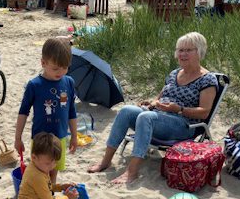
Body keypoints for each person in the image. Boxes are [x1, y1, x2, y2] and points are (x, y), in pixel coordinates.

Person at [88, 32, 218, 183]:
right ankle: (106, 161)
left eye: (188, 50)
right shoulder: (174, 73)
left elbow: (204, 112)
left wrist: (179, 109)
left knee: (145, 117)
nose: (182, 54)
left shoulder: (207, 79)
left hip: (184, 124)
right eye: (180, 50)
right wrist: (153, 103)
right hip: (159, 116)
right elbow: (161, 96)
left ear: (200, 52)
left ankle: (133, 171)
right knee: (126, 111)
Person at [15, 38, 78, 185]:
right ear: (43, 63)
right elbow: (23, 112)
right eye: (56, 68)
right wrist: (18, 138)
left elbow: (71, 111)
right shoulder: (34, 85)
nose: (61, 72)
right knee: (40, 172)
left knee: (54, 170)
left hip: (60, 136)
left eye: (65, 67)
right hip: (40, 139)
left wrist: (74, 136)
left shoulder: (68, 82)